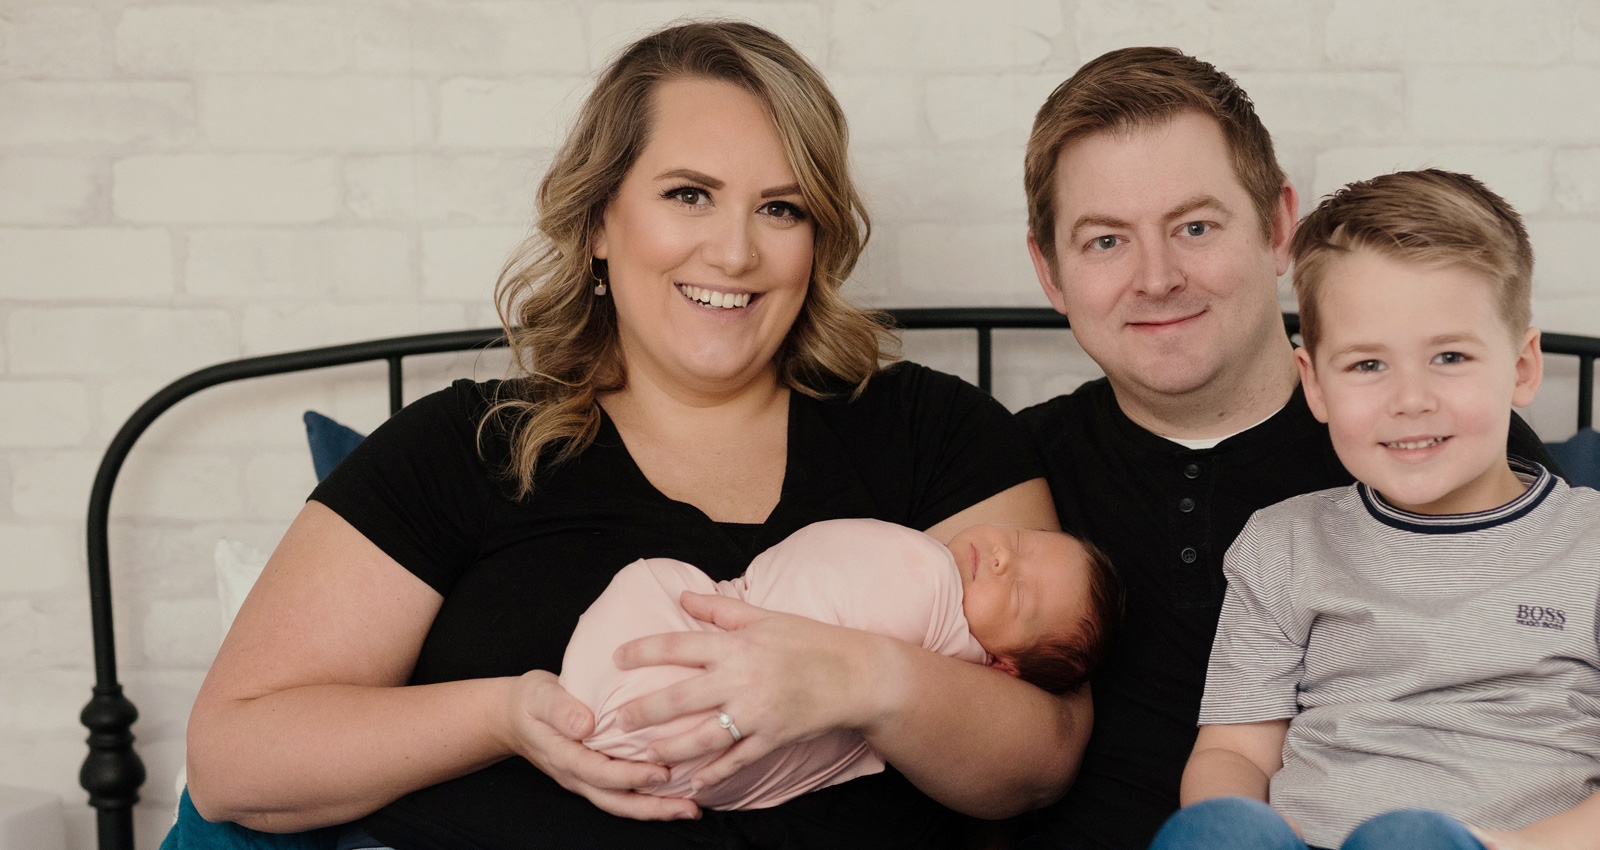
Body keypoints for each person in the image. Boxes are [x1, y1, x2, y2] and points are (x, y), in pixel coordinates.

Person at [181, 21, 1089, 850]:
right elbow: (235, 757)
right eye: (690, 195)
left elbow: (1043, 755)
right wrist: (508, 716)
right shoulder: (470, 446)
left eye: (782, 208)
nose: (735, 252)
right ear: (598, 223)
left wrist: (861, 679)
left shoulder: (931, 433)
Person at [1012, 47, 1561, 849]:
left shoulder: (1435, 446)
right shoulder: (1008, 474)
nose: (1157, 277)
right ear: (1050, 272)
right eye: (1105, 242)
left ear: (1278, 229)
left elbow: (1561, 721)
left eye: (1195, 227)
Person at [1160, 169, 1600, 850]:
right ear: (1313, 384)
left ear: (1521, 367)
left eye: (1450, 356)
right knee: (1215, 831)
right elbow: (1235, 754)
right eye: (1368, 366)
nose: (1411, 398)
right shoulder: (1283, 544)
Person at [561, 518, 1122, 810]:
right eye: (1020, 543)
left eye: (1019, 592)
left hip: (679, 728)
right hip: (608, 701)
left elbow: (1045, 753)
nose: (1001, 557)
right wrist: (507, 715)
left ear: (1003, 667)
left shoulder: (952, 650)